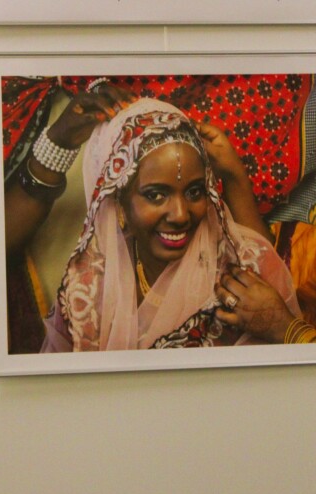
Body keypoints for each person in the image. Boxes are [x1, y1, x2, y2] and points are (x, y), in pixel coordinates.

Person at [38, 97, 301, 351]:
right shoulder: (86, 291)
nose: (180, 215)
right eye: (156, 195)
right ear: (120, 204)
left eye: (194, 192)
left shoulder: (245, 273)